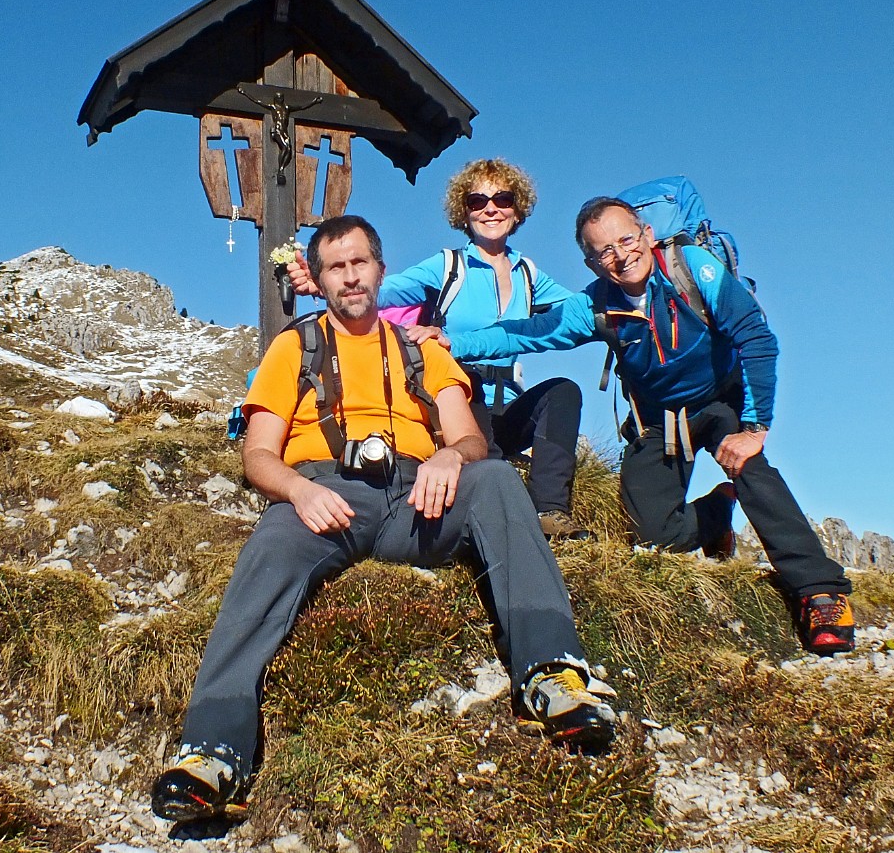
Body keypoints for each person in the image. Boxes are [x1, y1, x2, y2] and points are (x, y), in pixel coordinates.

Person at [152, 215, 618, 824]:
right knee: (270, 544)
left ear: (379, 268)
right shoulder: (295, 346)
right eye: (335, 267)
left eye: (360, 263)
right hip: (328, 494)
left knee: (499, 480)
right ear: (319, 279)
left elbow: (470, 439)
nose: (350, 277)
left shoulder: (422, 349)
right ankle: (212, 750)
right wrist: (296, 489)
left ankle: (554, 674)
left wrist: (450, 456)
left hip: (416, 496)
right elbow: (257, 453)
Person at [429, 196, 855, 656]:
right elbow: (525, 332)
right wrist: (452, 341)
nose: (620, 255)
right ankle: (716, 515)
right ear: (590, 262)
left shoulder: (693, 270)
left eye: (626, 240)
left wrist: (753, 429)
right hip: (660, 419)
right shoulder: (595, 306)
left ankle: (819, 589)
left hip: (720, 402)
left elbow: (756, 337)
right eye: (603, 251)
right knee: (654, 536)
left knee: (751, 467)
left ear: (647, 236)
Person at [288, 159, 587, 539]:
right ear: (464, 211)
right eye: (478, 201)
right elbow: (385, 286)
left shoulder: (530, 274)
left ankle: (550, 512)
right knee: (471, 398)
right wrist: (321, 284)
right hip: (458, 397)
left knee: (563, 392)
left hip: (508, 401)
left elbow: (580, 311)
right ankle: (504, 518)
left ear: (518, 207)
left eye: (503, 198)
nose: (491, 208)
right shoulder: (448, 266)